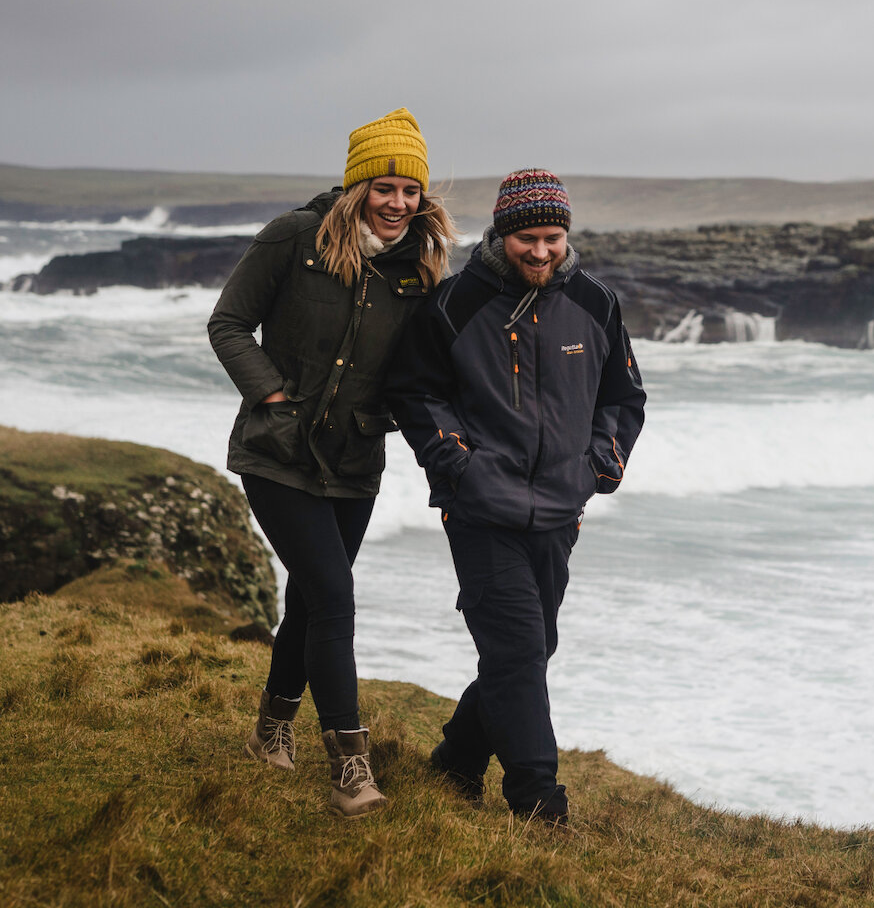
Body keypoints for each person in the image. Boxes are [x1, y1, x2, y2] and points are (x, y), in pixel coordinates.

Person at [207, 107, 455, 818]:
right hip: (277, 452)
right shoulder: (294, 237)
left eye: (411, 190)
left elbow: (427, 374)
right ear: (356, 189)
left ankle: (270, 731)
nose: (399, 203)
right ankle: (352, 766)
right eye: (385, 187)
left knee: (313, 601)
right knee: (335, 596)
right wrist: (274, 397)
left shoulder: (422, 270)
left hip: (354, 460)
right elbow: (228, 323)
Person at [387, 169, 646, 827]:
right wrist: (458, 466)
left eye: (552, 238)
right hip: (479, 510)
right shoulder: (453, 304)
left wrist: (599, 468)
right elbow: (414, 393)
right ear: (503, 236)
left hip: (561, 510)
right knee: (518, 654)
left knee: (528, 651)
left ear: (567, 235)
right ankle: (539, 806)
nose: (541, 251)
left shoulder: (595, 301)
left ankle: (454, 764)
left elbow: (623, 397)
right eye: (528, 238)